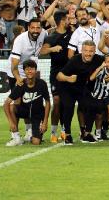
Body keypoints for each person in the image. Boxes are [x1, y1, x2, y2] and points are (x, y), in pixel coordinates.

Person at [57, 40, 104, 145]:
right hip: (68, 88)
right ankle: (67, 135)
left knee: (91, 105)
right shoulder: (74, 60)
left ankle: (86, 134)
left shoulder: (98, 59)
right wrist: (68, 78)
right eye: (86, 51)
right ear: (81, 50)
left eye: (91, 51)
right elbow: (59, 76)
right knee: (68, 107)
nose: (88, 53)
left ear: (94, 51)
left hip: (83, 88)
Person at [41, 11, 72, 143]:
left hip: (69, 73)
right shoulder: (51, 37)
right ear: (61, 21)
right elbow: (42, 51)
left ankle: (65, 131)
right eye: (67, 19)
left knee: (67, 103)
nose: (69, 21)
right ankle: (54, 132)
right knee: (57, 101)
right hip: (55, 73)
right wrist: (52, 49)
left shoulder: (72, 35)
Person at [4, 60, 50, 146]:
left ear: (36, 71)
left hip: (37, 114)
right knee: (12, 107)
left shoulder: (42, 84)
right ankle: (16, 137)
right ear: (24, 71)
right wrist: (10, 122)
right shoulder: (21, 84)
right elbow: (6, 103)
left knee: (36, 142)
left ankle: (31, 135)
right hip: (24, 111)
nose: (29, 71)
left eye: (32, 69)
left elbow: (47, 102)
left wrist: (45, 122)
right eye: (27, 69)